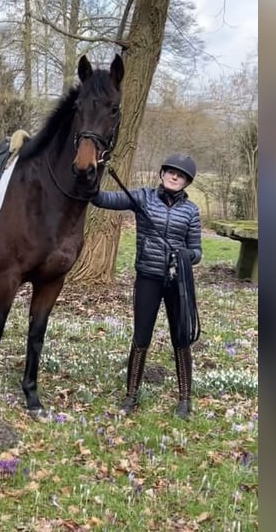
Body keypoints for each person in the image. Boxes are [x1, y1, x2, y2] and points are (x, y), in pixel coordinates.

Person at [92, 153, 202, 418]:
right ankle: (131, 396)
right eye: (171, 172)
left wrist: (187, 255)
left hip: (178, 281)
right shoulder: (142, 197)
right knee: (141, 337)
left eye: (181, 175)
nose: (175, 177)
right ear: (162, 174)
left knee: (181, 338)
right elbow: (101, 199)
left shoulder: (191, 211)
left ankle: (185, 399)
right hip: (148, 278)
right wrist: (93, 173)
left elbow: (197, 251)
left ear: (187, 181)